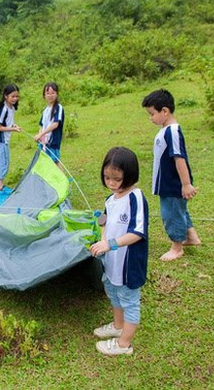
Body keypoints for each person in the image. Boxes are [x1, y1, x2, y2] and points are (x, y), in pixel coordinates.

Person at [90, 146, 148, 356]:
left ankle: (124, 344)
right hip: (112, 261)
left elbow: (138, 232)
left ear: (130, 175)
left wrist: (110, 244)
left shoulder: (135, 197)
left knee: (129, 300)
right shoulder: (110, 199)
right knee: (113, 292)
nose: (111, 183)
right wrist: (102, 235)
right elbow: (105, 222)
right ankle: (117, 325)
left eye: (117, 178)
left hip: (128, 264)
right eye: (107, 177)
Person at [142, 89, 201, 261]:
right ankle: (191, 237)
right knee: (180, 210)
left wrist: (185, 184)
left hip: (172, 183)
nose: (150, 118)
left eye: (152, 114)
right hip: (167, 182)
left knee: (171, 214)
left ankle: (177, 247)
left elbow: (179, 158)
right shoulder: (165, 129)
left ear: (165, 111)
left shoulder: (172, 131)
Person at [0, 84, 21, 192]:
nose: (15, 99)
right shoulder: (4, 109)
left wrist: (14, 125)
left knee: (6, 162)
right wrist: (13, 130)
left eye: (16, 96)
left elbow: (8, 122)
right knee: (1, 162)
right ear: (6, 96)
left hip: (4, 140)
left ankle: (1, 184)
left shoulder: (11, 108)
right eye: (12, 96)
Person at [34, 82, 64, 169]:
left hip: (53, 141)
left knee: (55, 161)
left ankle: (62, 181)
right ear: (44, 95)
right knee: (47, 161)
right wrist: (40, 136)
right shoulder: (45, 110)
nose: (50, 95)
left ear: (57, 94)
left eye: (53, 93)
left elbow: (55, 124)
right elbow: (41, 125)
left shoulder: (59, 107)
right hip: (44, 142)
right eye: (48, 93)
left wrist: (41, 134)